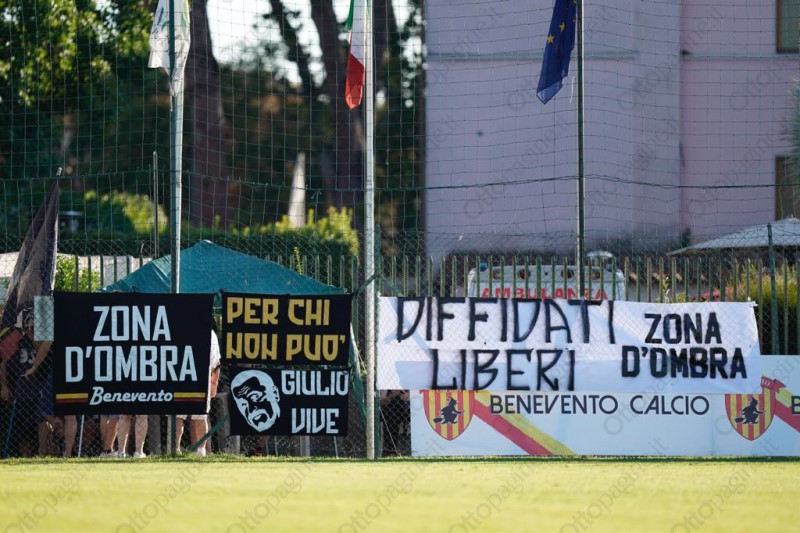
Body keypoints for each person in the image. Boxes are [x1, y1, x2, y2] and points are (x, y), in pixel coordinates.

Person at [175, 318, 221, 456]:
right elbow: (216, 363)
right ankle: (201, 450)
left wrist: (214, 383)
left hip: (181, 376)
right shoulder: (211, 334)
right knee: (200, 415)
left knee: (178, 415)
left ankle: (176, 449)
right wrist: (214, 383)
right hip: (201, 378)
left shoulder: (179, 329)